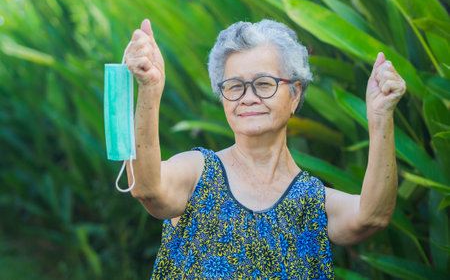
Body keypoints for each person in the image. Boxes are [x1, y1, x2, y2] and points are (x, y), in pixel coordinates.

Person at [124, 18, 406, 279]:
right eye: (234, 86)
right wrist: (149, 88)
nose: (248, 98)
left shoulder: (311, 201)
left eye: (263, 84)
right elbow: (146, 187)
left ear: (294, 94)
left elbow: (372, 216)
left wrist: (381, 118)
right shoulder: (198, 173)